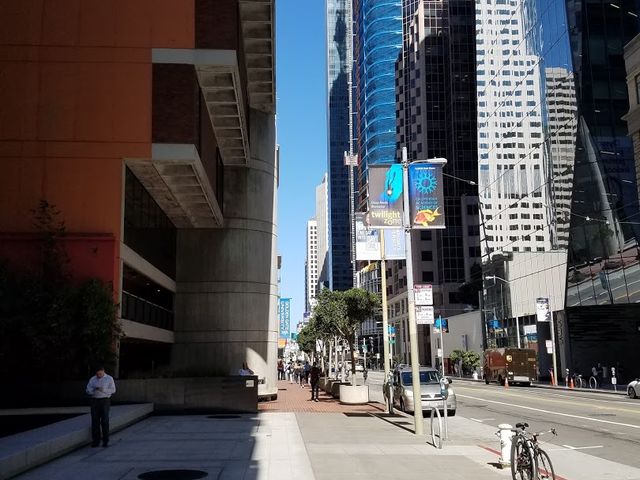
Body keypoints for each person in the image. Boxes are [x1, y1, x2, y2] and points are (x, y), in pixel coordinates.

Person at [86, 366, 116, 448]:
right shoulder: (93, 379)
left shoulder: (109, 378)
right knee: (95, 421)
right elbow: (88, 390)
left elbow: (113, 390)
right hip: (95, 401)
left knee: (105, 421)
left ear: (103, 371)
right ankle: (96, 441)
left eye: (100, 373)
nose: (98, 375)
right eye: (97, 374)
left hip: (105, 401)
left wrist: (103, 390)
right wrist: (93, 390)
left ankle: (105, 441)